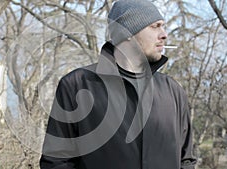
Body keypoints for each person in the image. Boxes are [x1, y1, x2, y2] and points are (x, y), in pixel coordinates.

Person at [40, 0, 197, 168]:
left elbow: (186, 159)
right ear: (128, 31)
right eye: (155, 26)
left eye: (162, 26)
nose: (164, 34)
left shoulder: (172, 91)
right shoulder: (77, 85)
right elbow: (56, 162)